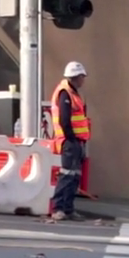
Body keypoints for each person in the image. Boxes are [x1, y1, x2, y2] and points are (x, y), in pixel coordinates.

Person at [50, 61, 91, 221]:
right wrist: (72, 139)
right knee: (67, 175)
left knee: (74, 176)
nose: (83, 80)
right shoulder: (65, 93)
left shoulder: (71, 93)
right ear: (76, 77)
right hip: (69, 141)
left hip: (76, 141)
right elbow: (64, 120)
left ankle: (68, 209)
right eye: (82, 77)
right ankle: (58, 208)